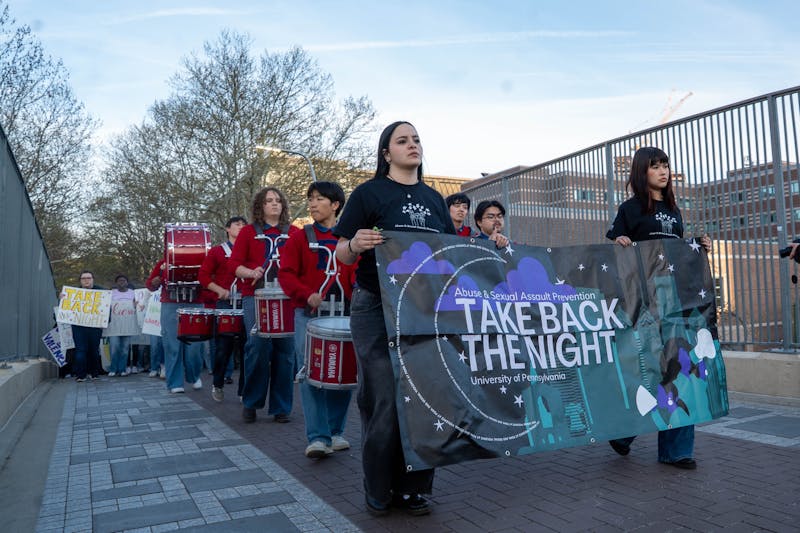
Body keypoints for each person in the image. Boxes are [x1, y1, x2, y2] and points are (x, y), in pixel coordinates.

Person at [334, 121, 456, 517]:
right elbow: (341, 254)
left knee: (425, 398)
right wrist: (355, 243)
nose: (412, 145)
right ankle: (379, 486)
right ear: (386, 153)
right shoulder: (369, 193)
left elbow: (448, 254)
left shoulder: (436, 199)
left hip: (423, 310)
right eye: (402, 140)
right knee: (384, 397)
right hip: (375, 306)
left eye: (417, 139)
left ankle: (414, 488)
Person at [606, 146, 712, 470]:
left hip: (673, 299)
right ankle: (623, 433)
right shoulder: (630, 209)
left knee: (679, 366)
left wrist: (699, 247)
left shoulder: (675, 212)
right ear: (642, 172)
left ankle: (677, 450)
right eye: (655, 166)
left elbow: (677, 255)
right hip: (641, 301)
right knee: (647, 369)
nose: (663, 171)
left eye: (665, 165)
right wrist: (620, 242)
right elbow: (613, 251)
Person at [278, 181, 357, 459]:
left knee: (344, 373)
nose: (312, 204)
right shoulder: (301, 237)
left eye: (319, 198)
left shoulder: (349, 238)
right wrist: (305, 294)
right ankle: (318, 437)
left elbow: (358, 274)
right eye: (310, 198)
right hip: (309, 315)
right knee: (311, 373)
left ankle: (335, 432)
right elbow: (285, 274)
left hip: (345, 314)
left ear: (335, 205)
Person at [231, 187, 300, 423]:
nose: (274, 204)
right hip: (256, 295)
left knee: (285, 352)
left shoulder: (295, 233)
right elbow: (235, 266)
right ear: (260, 206)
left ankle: (281, 408)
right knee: (257, 348)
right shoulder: (248, 232)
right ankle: (251, 402)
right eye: (269, 201)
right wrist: (251, 272)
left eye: (278, 201)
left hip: (287, 299)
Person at [199, 216, 247, 402]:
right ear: (227, 229)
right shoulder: (218, 251)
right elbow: (203, 275)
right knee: (223, 348)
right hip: (225, 304)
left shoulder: (250, 251)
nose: (241, 227)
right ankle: (217, 383)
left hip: (247, 303)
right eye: (237, 224)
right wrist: (219, 290)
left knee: (246, 349)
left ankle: (244, 390)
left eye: (244, 225)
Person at [146, 251, 205, 394]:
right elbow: (150, 284)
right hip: (171, 304)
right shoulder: (163, 264)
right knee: (172, 345)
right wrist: (155, 282)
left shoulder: (202, 259)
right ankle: (175, 382)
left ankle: (194, 375)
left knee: (195, 346)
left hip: (195, 302)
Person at [70, 271, 103, 382]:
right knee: (80, 350)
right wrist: (62, 298)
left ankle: (94, 373)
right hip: (79, 326)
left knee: (94, 350)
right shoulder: (73, 294)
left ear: (93, 279)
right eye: (83, 278)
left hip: (95, 326)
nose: (86, 280)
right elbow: (65, 308)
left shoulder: (101, 292)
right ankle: (81, 375)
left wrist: (105, 321)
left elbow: (107, 307)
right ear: (80, 280)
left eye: (88, 277)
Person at [105, 274, 138, 377]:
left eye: (124, 280)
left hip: (128, 325)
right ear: (116, 283)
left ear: (127, 282)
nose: (122, 282)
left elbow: (138, 306)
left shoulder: (133, 293)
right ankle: (113, 369)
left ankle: (122, 369)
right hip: (114, 326)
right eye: (119, 281)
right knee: (114, 347)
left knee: (125, 348)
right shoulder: (110, 294)